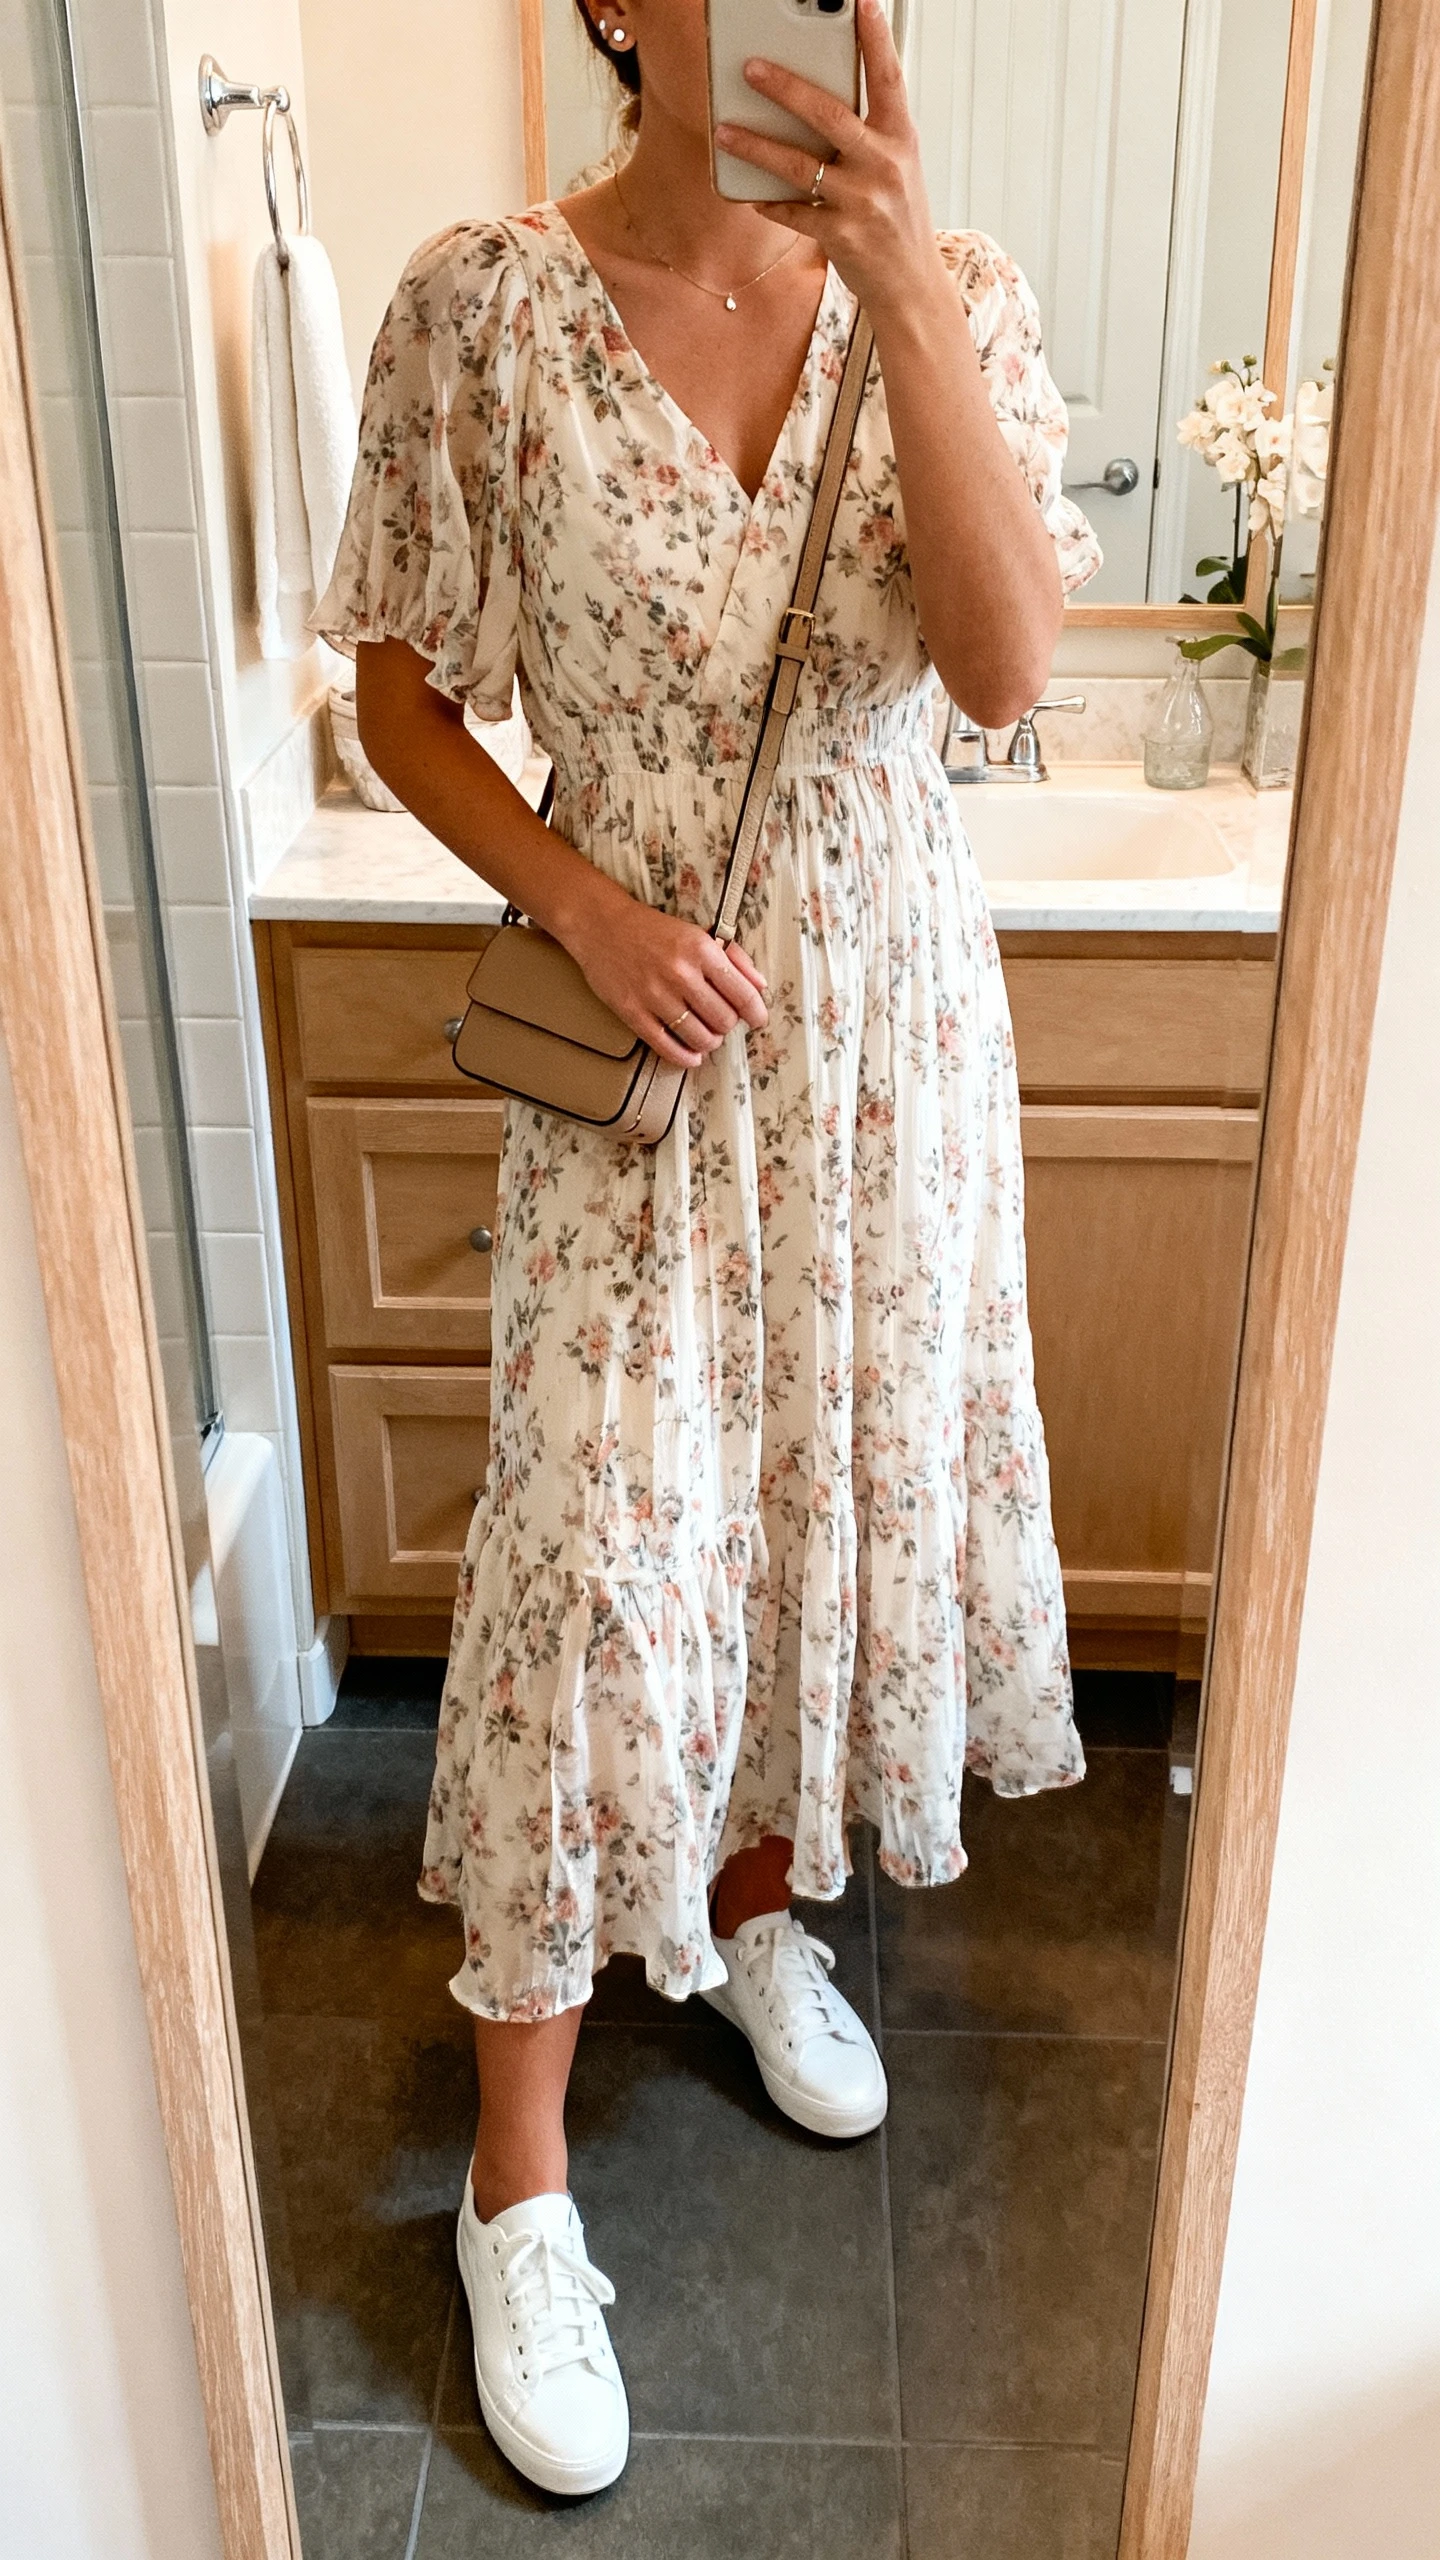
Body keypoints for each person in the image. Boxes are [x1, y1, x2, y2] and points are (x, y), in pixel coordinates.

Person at [316, 0, 1100, 2499]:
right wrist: (579, 894)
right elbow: (399, 701)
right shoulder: (484, 310)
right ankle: (515, 2181)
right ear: (621, 9)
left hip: (883, 1035)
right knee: (590, 1566)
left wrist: (901, 291)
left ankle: (756, 1908)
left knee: (801, 1519)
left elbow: (1000, 672)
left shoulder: (952, 292)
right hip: (643, 1048)